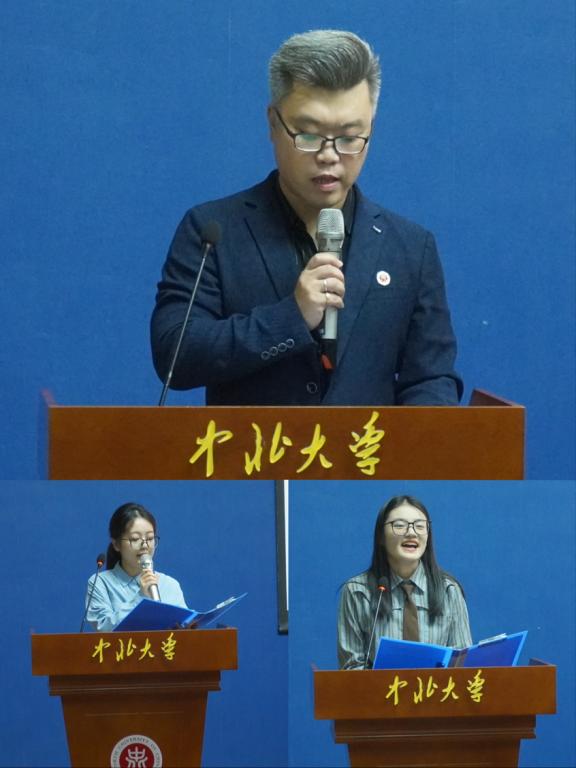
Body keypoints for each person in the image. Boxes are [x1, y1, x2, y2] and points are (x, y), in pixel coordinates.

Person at [151, 29, 462, 406]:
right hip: (255, 446)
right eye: (309, 135)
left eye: (349, 138)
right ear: (273, 123)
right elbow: (175, 355)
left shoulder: (411, 247)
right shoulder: (213, 231)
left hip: (368, 446)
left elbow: (431, 376)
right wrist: (291, 316)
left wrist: (422, 434)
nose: (329, 156)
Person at [338, 495, 471, 669]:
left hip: (434, 687)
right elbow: (351, 669)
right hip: (380, 688)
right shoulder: (357, 591)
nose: (411, 533)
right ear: (381, 536)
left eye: (420, 526)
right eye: (399, 525)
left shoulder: (449, 591)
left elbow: (462, 667)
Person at [85, 502, 187, 632]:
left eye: (150, 538)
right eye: (135, 539)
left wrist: (188, 629)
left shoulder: (170, 585)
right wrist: (141, 597)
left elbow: (184, 627)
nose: (145, 545)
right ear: (116, 544)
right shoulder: (100, 583)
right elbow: (104, 628)